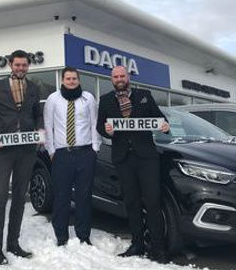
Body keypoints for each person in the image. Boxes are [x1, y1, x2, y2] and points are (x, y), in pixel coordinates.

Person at [96, 65, 170, 264]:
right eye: (115, 76)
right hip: (123, 158)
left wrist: (164, 126)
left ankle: (158, 248)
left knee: (153, 202)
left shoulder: (144, 95)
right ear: (111, 79)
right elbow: (100, 126)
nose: (119, 79)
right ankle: (137, 244)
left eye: (122, 75)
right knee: (131, 202)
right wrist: (107, 131)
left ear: (127, 77)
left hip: (146, 158)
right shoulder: (105, 100)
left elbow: (159, 118)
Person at [0, 50, 44, 265]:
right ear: (10, 64)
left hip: (26, 150)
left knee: (19, 197)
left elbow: (37, 114)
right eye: (17, 65)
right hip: (3, 150)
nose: (21, 68)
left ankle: (13, 243)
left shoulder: (34, 88)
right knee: (0, 196)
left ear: (28, 66)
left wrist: (40, 129)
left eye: (24, 65)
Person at [44, 67, 100, 246]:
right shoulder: (53, 99)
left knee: (84, 196)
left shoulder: (88, 98)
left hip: (85, 153)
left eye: (74, 78)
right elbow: (48, 125)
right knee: (61, 197)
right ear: (62, 80)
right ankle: (61, 236)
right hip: (62, 154)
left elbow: (94, 123)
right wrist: (51, 151)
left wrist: (95, 148)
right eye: (68, 78)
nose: (71, 81)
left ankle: (83, 235)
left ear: (79, 80)